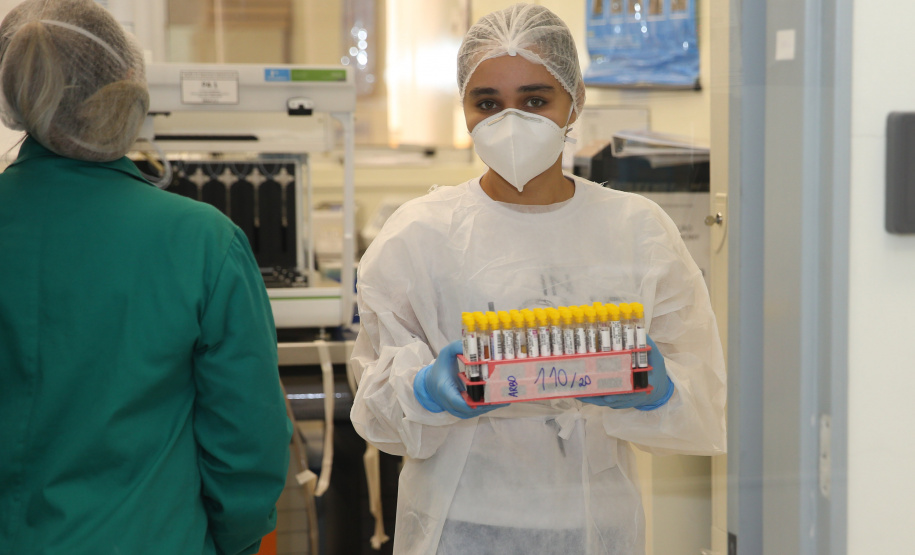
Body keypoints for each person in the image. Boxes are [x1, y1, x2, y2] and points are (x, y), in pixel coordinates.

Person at [350, 3, 726, 554]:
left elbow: (704, 401)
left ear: (574, 100)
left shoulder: (637, 230)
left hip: (596, 525)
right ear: (464, 109)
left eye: (534, 100)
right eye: (488, 103)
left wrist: (660, 391)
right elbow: (376, 408)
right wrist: (425, 389)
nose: (511, 121)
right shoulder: (418, 235)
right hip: (461, 522)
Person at [0, 1, 291, 554]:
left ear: (19, 96)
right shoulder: (202, 242)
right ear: (128, 85)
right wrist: (234, 541)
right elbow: (246, 447)